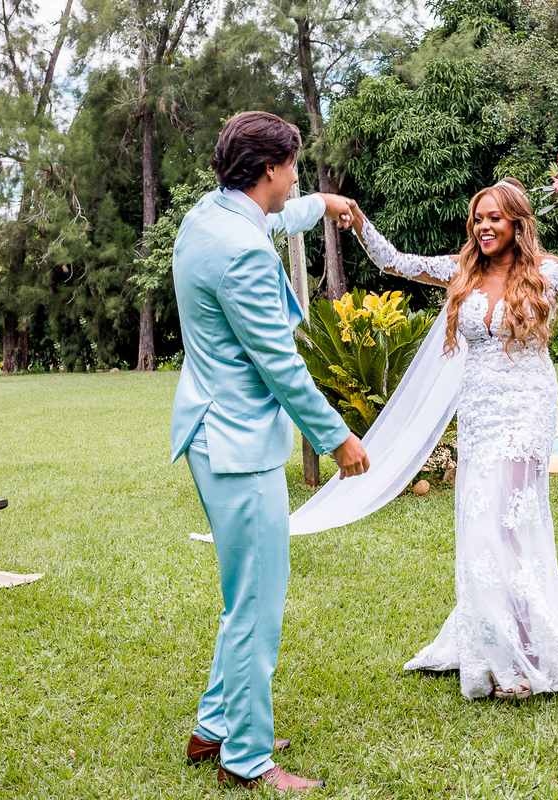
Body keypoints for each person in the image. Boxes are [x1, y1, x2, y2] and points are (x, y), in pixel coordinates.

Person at [345, 177, 558, 700]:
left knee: (508, 525)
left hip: (526, 408)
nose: (483, 227)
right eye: (478, 218)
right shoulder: (463, 273)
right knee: (483, 527)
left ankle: (525, 652)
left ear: (517, 223)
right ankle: (497, 639)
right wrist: (358, 221)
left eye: (494, 218)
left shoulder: (548, 273)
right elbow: (394, 263)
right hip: (478, 412)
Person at [170, 110, 369, 791]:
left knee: (242, 593)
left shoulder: (208, 217)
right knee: (257, 604)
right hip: (239, 445)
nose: (294, 177)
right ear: (267, 171)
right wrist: (336, 437)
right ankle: (248, 758)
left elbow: (276, 217)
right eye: (292, 168)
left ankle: (214, 727)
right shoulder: (243, 252)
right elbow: (279, 366)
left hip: (206, 430)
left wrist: (326, 204)